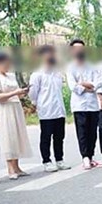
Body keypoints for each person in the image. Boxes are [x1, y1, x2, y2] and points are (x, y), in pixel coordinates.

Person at [0, 52, 32, 180]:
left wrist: (22, 92)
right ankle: (10, 168)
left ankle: (17, 166)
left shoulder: (11, 76)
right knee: (8, 136)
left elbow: (17, 94)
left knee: (17, 136)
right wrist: (14, 92)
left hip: (15, 106)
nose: (7, 66)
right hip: (5, 109)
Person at [66, 39, 102, 170]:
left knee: (92, 132)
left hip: (93, 104)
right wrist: (86, 86)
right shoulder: (70, 67)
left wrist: (84, 84)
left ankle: (91, 156)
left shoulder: (92, 66)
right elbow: (73, 86)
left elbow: (98, 83)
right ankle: (85, 157)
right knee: (82, 131)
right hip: (79, 105)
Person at [29, 45, 69, 173]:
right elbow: (33, 92)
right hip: (46, 110)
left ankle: (59, 159)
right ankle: (46, 161)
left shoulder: (57, 74)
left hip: (59, 110)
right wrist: (35, 104)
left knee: (59, 136)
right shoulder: (37, 74)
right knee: (46, 137)